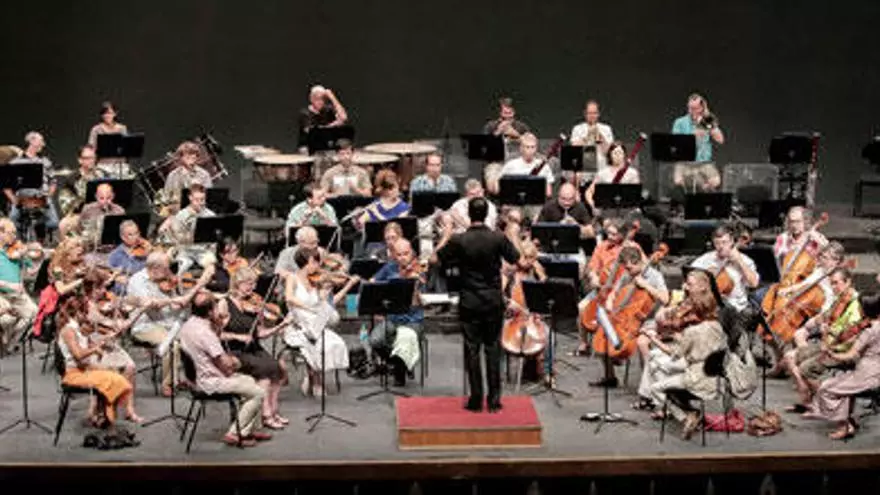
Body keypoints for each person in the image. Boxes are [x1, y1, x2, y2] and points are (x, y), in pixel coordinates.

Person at [435, 197, 521, 412]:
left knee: (472, 350)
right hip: (492, 300)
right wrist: (511, 233)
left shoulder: (459, 240)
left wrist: (446, 233)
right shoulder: (497, 237)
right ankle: (494, 401)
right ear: (486, 215)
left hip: (469, 300)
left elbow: (436, 259)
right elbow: (516, 258)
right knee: (493, 349)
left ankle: (475, 400)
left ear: (468, 215)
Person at [179, 290, 272, 447]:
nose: (219, 310)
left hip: (198, 375)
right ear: (210, 312)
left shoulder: (189, 324)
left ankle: (249, 429)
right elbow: (226, 364)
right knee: (258, 393)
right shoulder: (205, 333)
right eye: (216, 307)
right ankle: (234, 433)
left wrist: (218, 325)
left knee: (250, 381)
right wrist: (236, 362)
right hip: (210, 381)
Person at [645, 272, 726, 439]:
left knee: (656, 387)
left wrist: (653, 339)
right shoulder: (718, 327)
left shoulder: (692, 331)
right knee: (659, 366)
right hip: (716, 381)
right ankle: (685, 410)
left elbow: (674, 354)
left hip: (695, 379)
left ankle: (686, 416)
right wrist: (679, 338)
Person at [127, 251, 213, 396]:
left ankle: (192, 378)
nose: (170, 273)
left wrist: (191, 289)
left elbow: (176, 304)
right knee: (171, 344)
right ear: (155, 269)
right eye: (167, 269)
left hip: (168, 323)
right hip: (146, 325)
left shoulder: (164, 279)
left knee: (196, 338)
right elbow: (150, 304)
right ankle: (168, 383)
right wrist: (173, 300)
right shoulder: (137, 281)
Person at [216, 267, 289, 429]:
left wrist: (280, 326)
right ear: (237, 283)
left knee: (277, 368)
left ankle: (273, 411)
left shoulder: (253, 304)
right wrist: (238, 336)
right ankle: (266, 414)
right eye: (248, 284)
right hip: (234, 351)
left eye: (253, 283)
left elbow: (260, 334)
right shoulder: (224, 303)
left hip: (253, 348)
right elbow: (216, 335)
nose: (252, 287)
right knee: (265, 369)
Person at [283, 247, 358, 397]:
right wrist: (308, 308)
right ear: (308, 262)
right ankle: (316, 381)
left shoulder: (315, 281)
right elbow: (289, 298)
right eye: (316, 262)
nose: (319, 266)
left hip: (314, 324)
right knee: (315, 346)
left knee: (334, 343)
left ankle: (313, 377)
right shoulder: (292, 278)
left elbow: (328, 303)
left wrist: (348, 285)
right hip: (298, 326)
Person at [590, 245, 669, 388]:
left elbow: (665, 299)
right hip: (627, 317)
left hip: (649, 319)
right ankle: (610, 376)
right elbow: (615, 292)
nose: (627, 271)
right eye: (626, 268)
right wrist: (610, 301)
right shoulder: (627, 275)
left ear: (639, 262)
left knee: (642, 342)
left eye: (630, 268)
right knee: (603, 334)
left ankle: (648, 382)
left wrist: (645, 285)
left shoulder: (655, 276)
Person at [634, 269, 712, 412]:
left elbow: (678, 324)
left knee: (657, 361)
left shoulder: (703, 305)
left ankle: (665, 405)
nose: (685, 287)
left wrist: (664, 324)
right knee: (653, 355)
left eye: (689, 284)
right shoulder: (689, 300)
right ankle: (653, 399)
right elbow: (673, 320)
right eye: (686, 283)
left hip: (695, 353)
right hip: (682, 344)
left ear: (702, 286)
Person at [784, 268, 862, 411]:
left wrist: (829, 330)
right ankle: (808, 401)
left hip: (841, 350)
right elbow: (826, 316)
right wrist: (816, 321)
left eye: (836, 283)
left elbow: (851, 334)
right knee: (789, 357)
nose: (833, 287)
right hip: (827, 344)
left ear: (848, 282)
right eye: (831, 283)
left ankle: (831, 405)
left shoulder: (856, 304)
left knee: (805, 368)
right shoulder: (840, 299)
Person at [56, 296, 137, 427]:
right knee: (114, 379)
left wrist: (102, 343)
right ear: (78, 313)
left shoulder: (76, 328)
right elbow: (78, 355)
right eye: (86, 313)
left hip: (84, 368)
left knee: (115, 373)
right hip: (74, 374)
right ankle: (105, 416)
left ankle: (104, 416)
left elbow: (88, 346)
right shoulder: (68, 330)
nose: (88, 317)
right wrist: (94, 350)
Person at [809, 292, 880, 440]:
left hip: (866, 375)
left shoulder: (869, 332)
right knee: (841, 386)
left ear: (864, 310)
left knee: (826, 389)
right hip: (873, 373)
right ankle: (849, 421)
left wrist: (830, 353)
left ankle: (844, 426)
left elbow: (850, 355)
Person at [369, 238, 425, 386]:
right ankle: (396, 364)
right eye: (399, 255)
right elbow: (372, 282)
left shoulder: (419, 269)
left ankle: (400, 372)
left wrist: (415, 286)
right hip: (392, 318)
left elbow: (420, 302)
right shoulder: (390, 268)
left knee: (404, 338)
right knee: (375, 340)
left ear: (412, 253)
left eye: (406, 254)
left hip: (413, 320)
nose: (403, 258)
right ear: (394, 255)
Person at [690, 224, 760, 311]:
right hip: (710, 306)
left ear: (731, 242)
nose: (721, 246)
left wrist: (740, 262)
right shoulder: (706, 259)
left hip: (736, 308)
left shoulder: (745, 260)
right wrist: (706, 275)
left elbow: (754, 283)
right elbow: (689, 277)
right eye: (717, 243)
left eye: (724, 242)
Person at [5, 131, 59, 239]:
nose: (43, 144)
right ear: (32, 141)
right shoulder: (15, 162)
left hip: (40, 196)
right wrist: (13, 199)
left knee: (54, 222)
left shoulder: (45, 161)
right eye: (41, 141)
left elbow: (53, 181)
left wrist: (48, 195)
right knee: (12, 222)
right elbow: (6, 185)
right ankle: (20, 240)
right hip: (22, 198)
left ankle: (37, 227)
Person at [158, 184, 217, 275]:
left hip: (202, 251)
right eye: (197, 200)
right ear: (190, 198)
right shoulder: (181, 215)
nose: (200, 203)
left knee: (211, 268)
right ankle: (175, 280)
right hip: (185, 250)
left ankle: (199, 284)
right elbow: (176, 237)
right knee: (181, 264)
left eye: (202, 200)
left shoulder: (211, 215)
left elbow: (213, 239)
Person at [0, 218, 39, 354]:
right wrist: (8, 284)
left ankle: (10, 343)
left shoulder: (15, 250)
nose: (14, 236)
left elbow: (31, 271)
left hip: (17, 295)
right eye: (11, 233)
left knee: (33, 313)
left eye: (15, 233)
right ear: (0, 233)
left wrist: (33, 259)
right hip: (2, 294)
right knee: (7, 319)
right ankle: (4, 341)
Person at [671, 93, 724, 192]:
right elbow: (676, 144)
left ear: (702, 108)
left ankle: (701, 189)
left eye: (695, 108)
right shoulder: (679, 122)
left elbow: (720, 139)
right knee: (678, 181)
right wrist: (695, 134)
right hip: (685, 162)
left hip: (704, 163)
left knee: (716, 181)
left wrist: (708, 121)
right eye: (690, 108)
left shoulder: (707, 120)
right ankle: (696, 187)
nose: (692, 111)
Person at [584, 142, 640, 213]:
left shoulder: (632, 173)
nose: (618, 155)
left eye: (620, 153)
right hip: (608, 210)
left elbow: (636, 195)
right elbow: (588, 192)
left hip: (627, 210)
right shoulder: (602, 173)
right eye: (615, 153)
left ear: (624, 155)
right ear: (610, 155)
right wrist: (593, 205)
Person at [498, 133, 554, 199]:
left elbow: (549, 193)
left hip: (536, 200)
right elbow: (501, 188)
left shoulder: (544, 166)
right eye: (527, 147)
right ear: (521, 148)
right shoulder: (510, 165)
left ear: (536, 148)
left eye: (533, 147)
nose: (530, 150)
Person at [570, 100, 614, 175]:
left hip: (602, 168)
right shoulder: (577, 128)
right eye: (589, 113)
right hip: (583, 168)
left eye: (594, 113)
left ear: (598, 114)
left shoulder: (606, 128)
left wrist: (601, 138)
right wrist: (587, 136)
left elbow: (609, 152)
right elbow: (575, 150)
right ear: (585, 114)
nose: (592, 116)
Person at [297, 85, 348, 150]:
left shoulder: (327, 110)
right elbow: (313, 133)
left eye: (323, 99)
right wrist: (334, 125)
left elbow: (343, 117)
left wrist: (332, 97)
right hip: (308, 147)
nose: (320, 102)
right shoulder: (305, 113)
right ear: (311, 99)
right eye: (317, 99)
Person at [88, 101, 131, 178]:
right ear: (102, 115)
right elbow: (91, 149)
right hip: (103, 165)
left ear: (115, 114)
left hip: (120, 165)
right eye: (105, 113)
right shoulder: (96, 129)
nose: (107, 116)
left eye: (110, 113)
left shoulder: (122, 128)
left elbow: (126, 148)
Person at [107, 220, 151, 291]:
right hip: (124, 290)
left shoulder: (144, 250)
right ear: (123, 237)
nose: (136, 237)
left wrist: (149, 254)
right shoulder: (115, 255)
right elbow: (106, 274)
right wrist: (117, 278)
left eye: (137, 233)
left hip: (143, 287)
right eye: (130, 235)